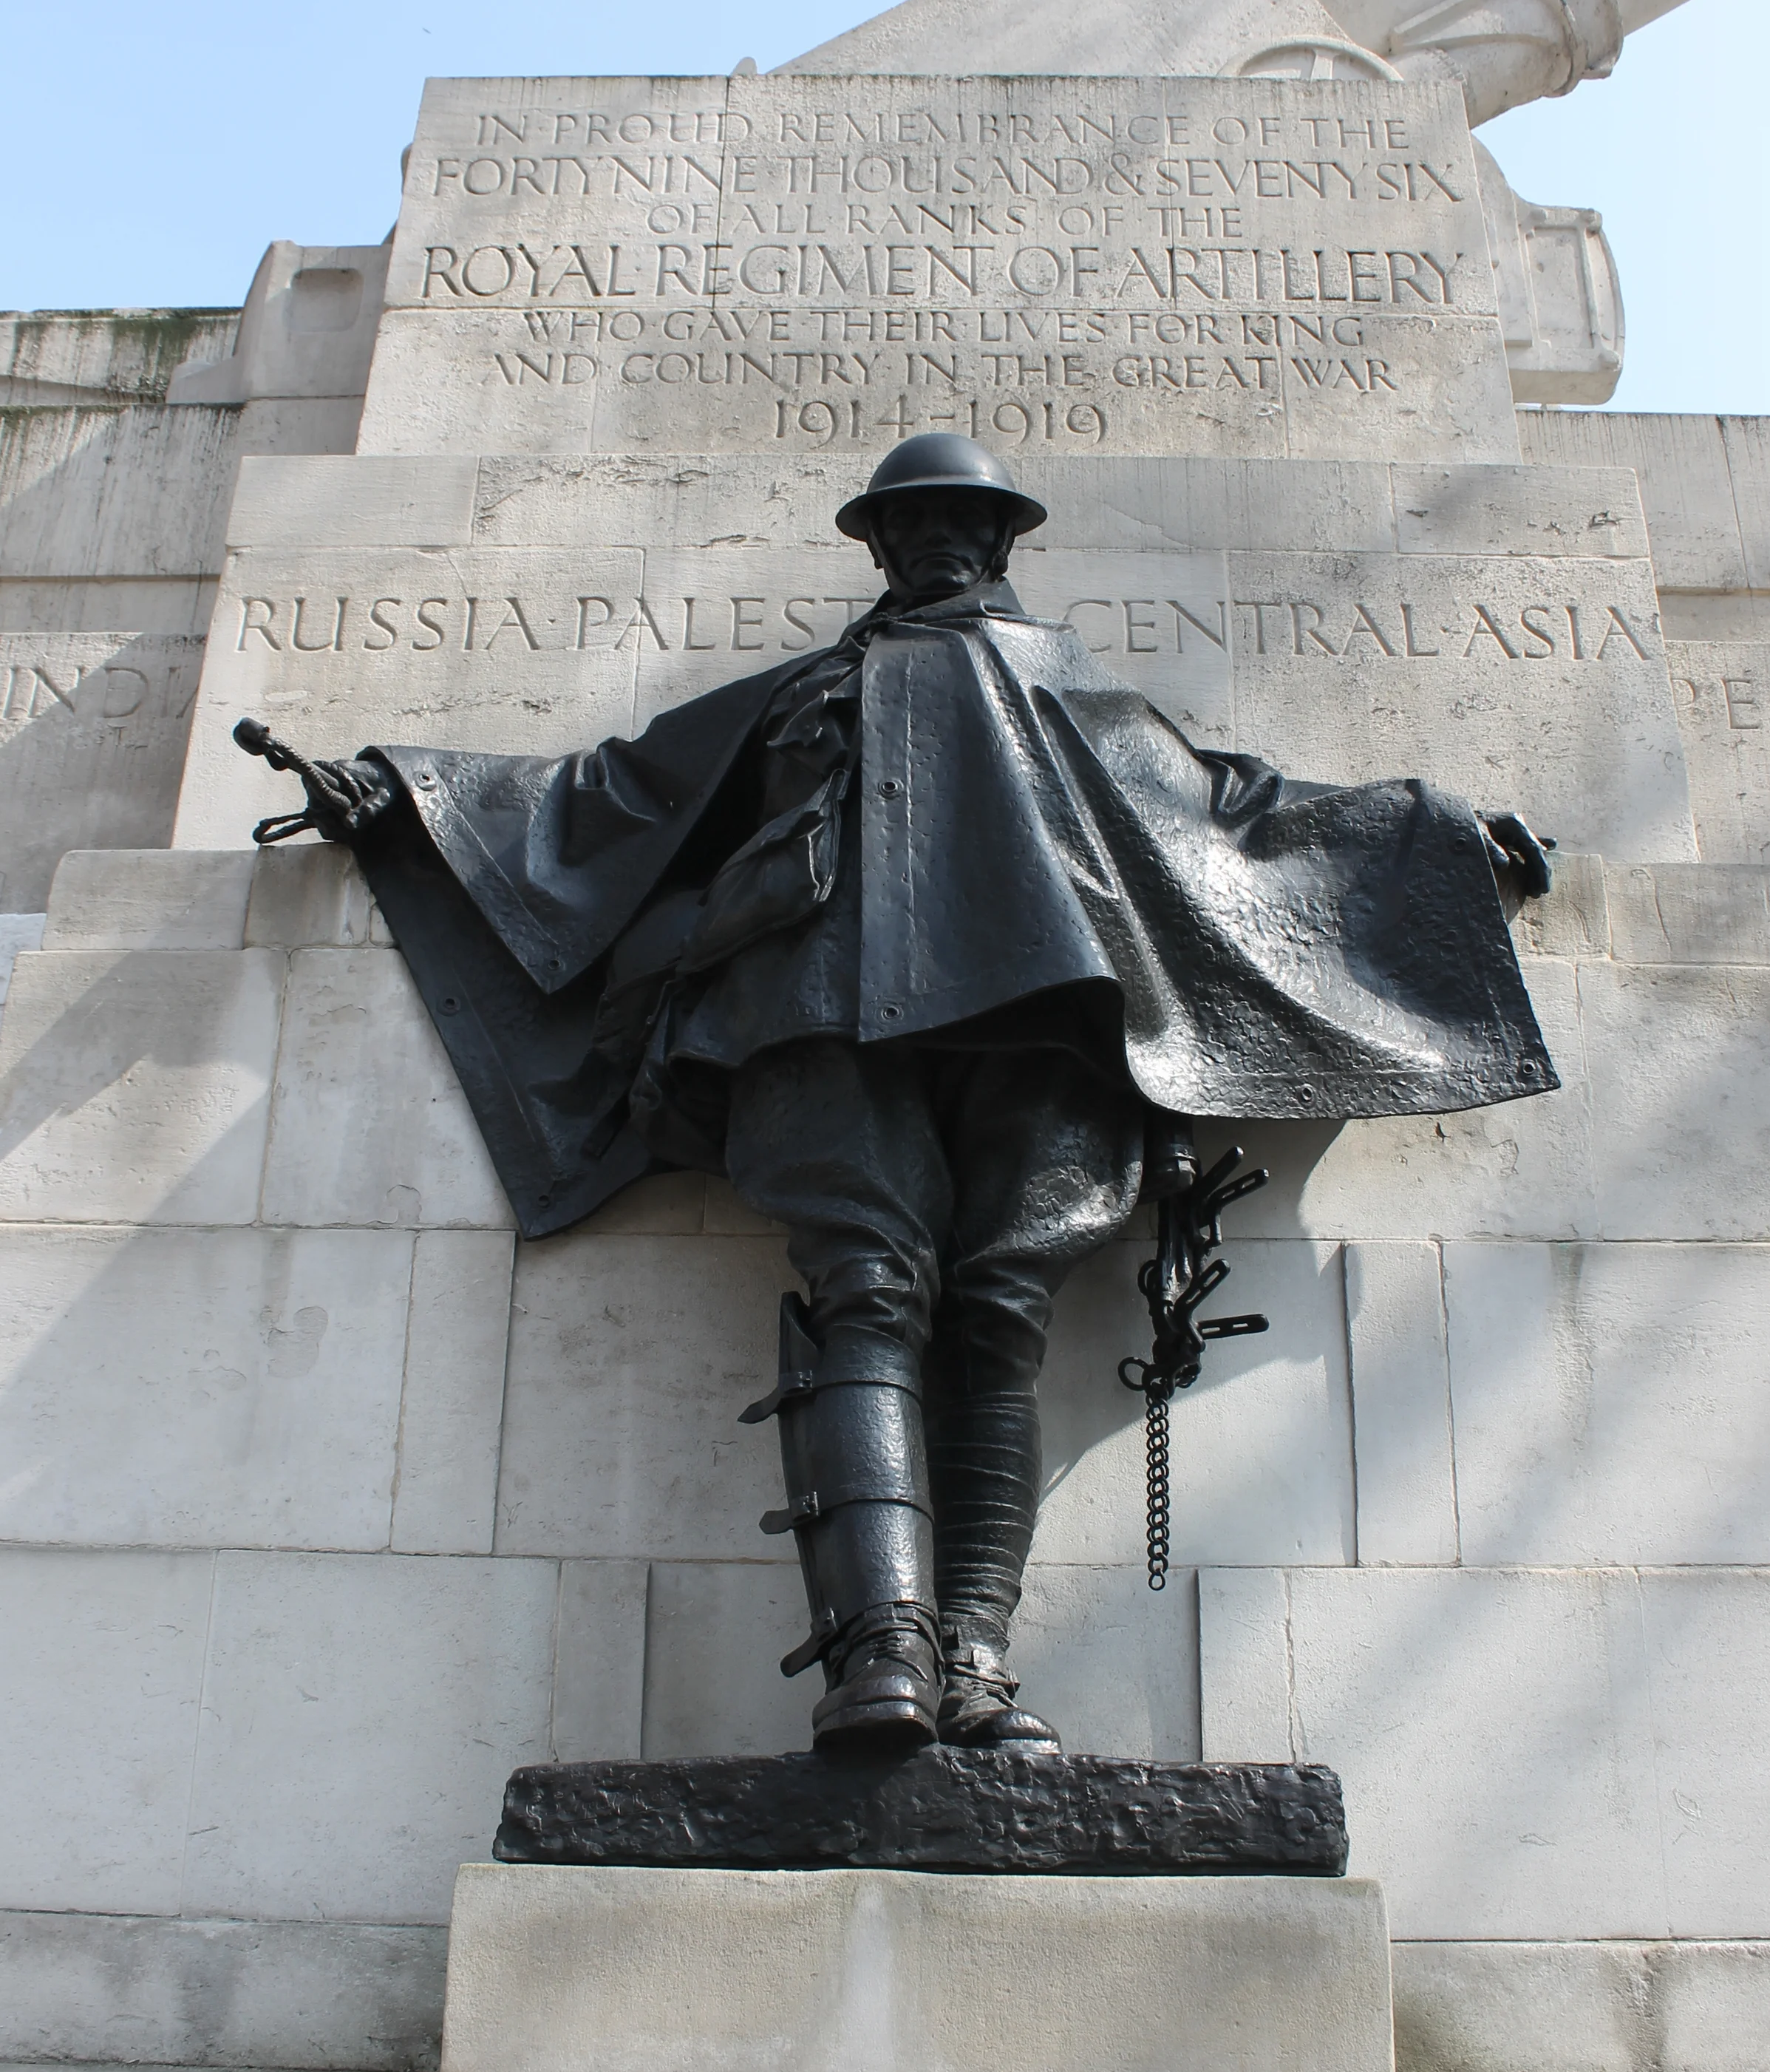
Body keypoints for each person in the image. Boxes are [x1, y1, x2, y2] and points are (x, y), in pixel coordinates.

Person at [239, 435, 1554, 1756]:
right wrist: (404, 791)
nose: (940, 543)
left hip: (1042, 1022)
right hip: (815, 1003)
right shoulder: (805, 690)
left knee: (1001, 1314)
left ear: (1001, 543)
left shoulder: (1068, 688)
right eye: (914, 523)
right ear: (876, 544)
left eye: (964, 523)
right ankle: (882, 1660)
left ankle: (971, 1659)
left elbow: (1226, 818)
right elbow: (611, 795)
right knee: (866, 1283)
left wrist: (1432, 847)